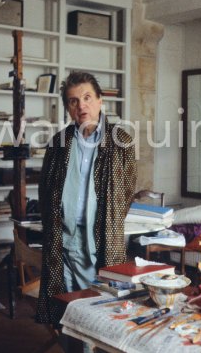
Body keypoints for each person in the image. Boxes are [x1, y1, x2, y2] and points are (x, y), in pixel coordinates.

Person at [36, 71, 137, 325]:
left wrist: (108, 220)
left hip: (100, 239)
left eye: (87, 97)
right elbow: (45, 190)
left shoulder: (121, 140)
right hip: (65, 241)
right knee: (67, 307)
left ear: (100, 100)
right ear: (68, 108)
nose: (82, 105)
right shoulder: (58, 143)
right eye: (73, 101)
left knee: (104, 307)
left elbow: (126, 191)